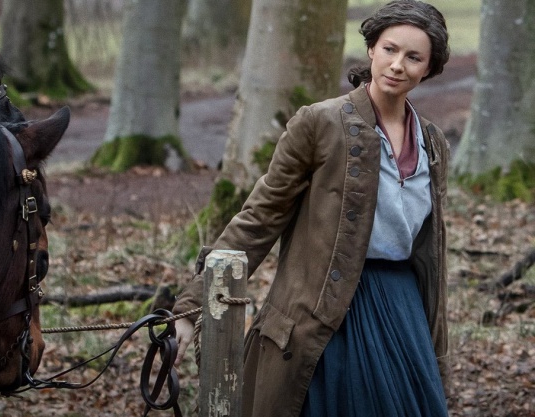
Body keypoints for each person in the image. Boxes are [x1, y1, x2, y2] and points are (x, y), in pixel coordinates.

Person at [172, 1, 451, 416]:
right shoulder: (320, 123)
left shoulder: (433, 142)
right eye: (389, 49)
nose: (397, 65)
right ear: (371, 49)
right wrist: (191, 306)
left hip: (402, 308)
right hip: (326, 306)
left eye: (413, 57)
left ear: (428, 68)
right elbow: (261, 216)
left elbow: (431, 252)